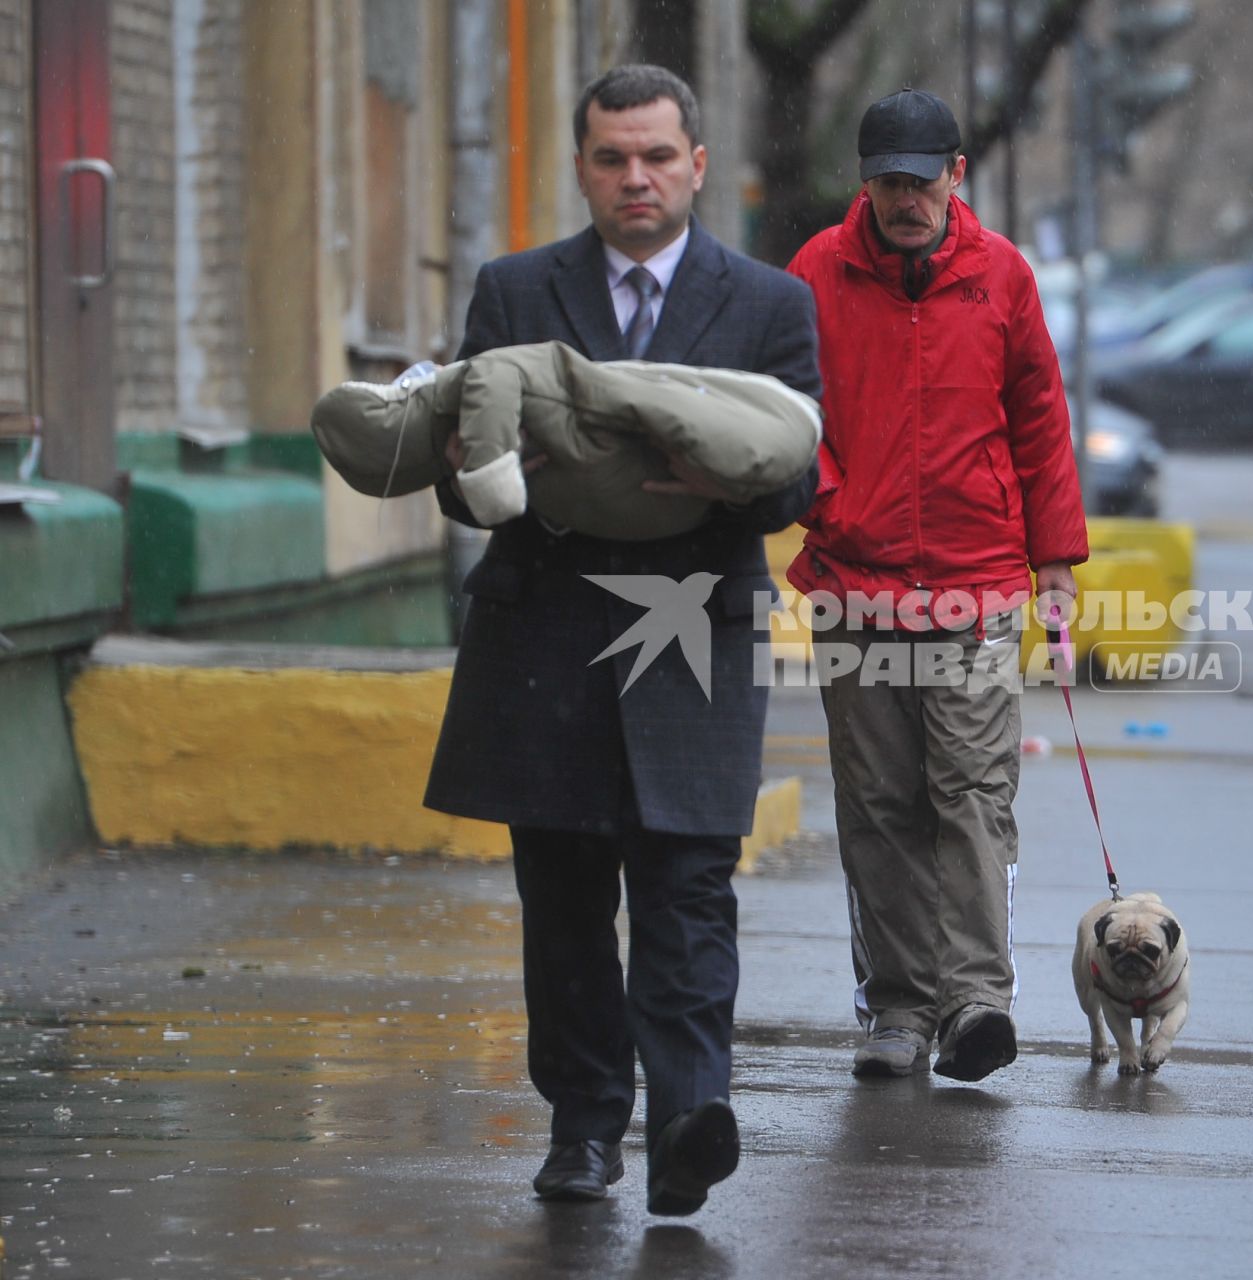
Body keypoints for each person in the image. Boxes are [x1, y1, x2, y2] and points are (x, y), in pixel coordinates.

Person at [422, 64, 821, 1211]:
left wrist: (713, 483)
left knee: (689, 885)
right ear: (584, 167)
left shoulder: (767, 305)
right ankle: (585, 1126)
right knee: (563, 896)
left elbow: (797, 480)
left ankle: (690, 1116)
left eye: (656, 156)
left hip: (695, 625)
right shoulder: (513, 290)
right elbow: (464, 481)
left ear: (697, 162)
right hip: (543, 625)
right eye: (612, 158)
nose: (635, 177)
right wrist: (478, 479)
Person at [784, 89, 1088, 1082]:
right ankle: (899, 1010)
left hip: (976, 581)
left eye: (924, 181)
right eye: (889, 183)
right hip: (855, 581)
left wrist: (1055, 562)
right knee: (877, 801)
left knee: (970, 792)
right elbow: (789, 415)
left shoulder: (1000, 277)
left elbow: (1040, 421)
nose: (907, 199)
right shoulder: (817, 276)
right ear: (863, 184)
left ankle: (975, 1002)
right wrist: (827, 500)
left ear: (957, 175)